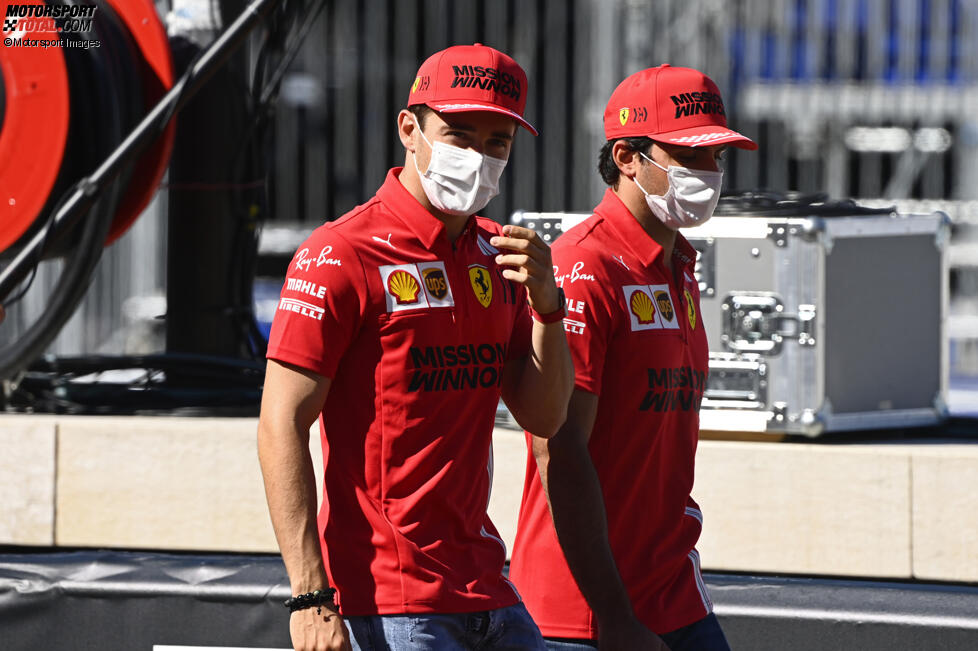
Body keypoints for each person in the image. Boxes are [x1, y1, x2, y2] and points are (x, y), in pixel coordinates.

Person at [257, 43, 574, 651]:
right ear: (409, 128)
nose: (477, 157)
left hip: (489, 589)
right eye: (458, 134)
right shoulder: (340, 253)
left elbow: (545, 415)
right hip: (388, 604)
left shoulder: (497, 253)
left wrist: (548, 307)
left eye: (497, 143)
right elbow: (280, 423)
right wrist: (309, 596)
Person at [509, 64, 758, 651]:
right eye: (690, 157)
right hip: (584, 615)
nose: (710, 175)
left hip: (670, 591)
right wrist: (614, 617)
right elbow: (560, 451)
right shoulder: (585, 266)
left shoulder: (679, 264)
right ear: (626, 157)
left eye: (717, 158)